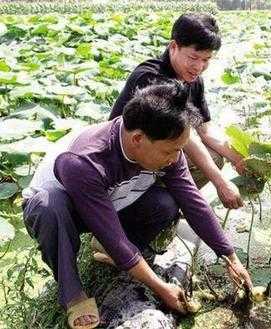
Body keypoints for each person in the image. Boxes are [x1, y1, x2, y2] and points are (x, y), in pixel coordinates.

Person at [22, 83, 252, 329]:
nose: (176, 158)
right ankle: (72, 293)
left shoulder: (162, 146)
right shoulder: (83, 161)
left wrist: (229, 257)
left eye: (179, 150)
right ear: (138, 139)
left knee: (165, 203)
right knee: (50, 206)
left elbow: (193, 201)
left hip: (112, 201)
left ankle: (113, 255)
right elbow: (113, 235)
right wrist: (161, 288)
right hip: (67, 208)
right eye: (170, 151)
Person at [109, 13, 245, 210]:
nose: (199, 67)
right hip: (126, 162)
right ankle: (146, 205)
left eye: (206, 60)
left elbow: (205, 130)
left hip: (157, 155)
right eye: (193, 57)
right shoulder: (150, 78)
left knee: (215, 157)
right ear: (173, 47)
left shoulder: (193, 79)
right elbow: (187, 140)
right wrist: (221, 183)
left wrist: (240, 159)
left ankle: (169, 202)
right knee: (196, 171)